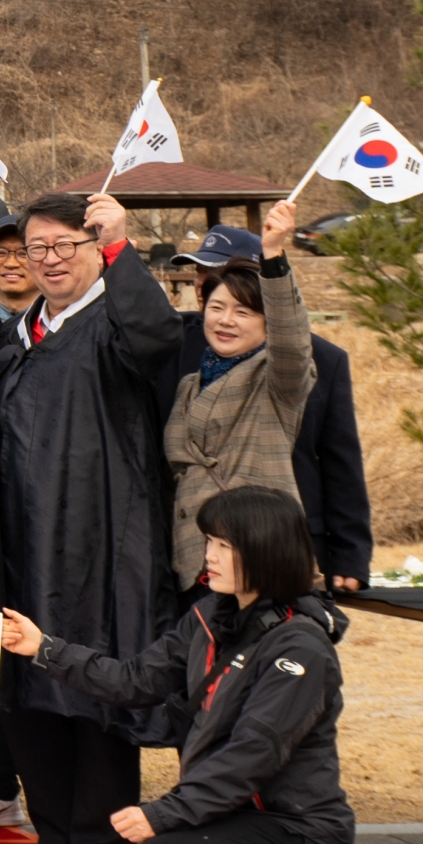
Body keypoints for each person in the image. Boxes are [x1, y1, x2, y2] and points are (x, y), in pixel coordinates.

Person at [0, 486, 355, 844]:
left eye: (225, 545)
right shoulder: (210, 617)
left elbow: (253, 754)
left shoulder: (301, 648)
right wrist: (46, 649)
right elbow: (134, 681)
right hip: (231, 821)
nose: (209, 555)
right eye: (209, 541)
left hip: (300, 832)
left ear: (267, 550)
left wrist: (165, 814)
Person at [0, 188, 180, 844]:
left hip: (99, 538)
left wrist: (122, 248)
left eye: (66, 245)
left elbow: (159, 338)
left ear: (94, 250)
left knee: (94, 684)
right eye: (37, 247)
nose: (49, 260)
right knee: (26, 684)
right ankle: (53, 834)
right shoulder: (22, 333)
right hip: (19, 537)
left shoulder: (115, 323)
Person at [171, 223, 371, 592]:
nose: (203, 283)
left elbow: (340, 461)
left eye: (242, 306)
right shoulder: (181, 351)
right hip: (193, 555)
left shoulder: (304, 361)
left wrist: (350, 554)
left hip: (267, 545)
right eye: (201, 272)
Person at [158, 202, 314, 597]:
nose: (225, 320)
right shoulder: (190, 383)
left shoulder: (276, 381)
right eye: (217, 307)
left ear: (267, 323)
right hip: (195, 558)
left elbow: (292, 340)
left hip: (255, 553)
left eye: (243, 311)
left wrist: (273, 256)